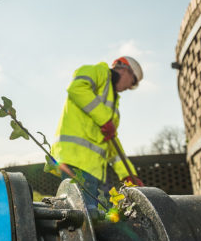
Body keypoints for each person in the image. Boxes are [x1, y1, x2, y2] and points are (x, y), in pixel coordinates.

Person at [49, 56, 144, 208]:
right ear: (126, 70)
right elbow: (77, 88)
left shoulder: (113, 106)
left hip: (92, 168)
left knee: (88, 214)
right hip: (75, 158)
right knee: (82, 213)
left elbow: (111, 142)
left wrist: (127, 174)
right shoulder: (97, 72)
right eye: (132, 82)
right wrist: (104, 119)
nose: (129, 88)